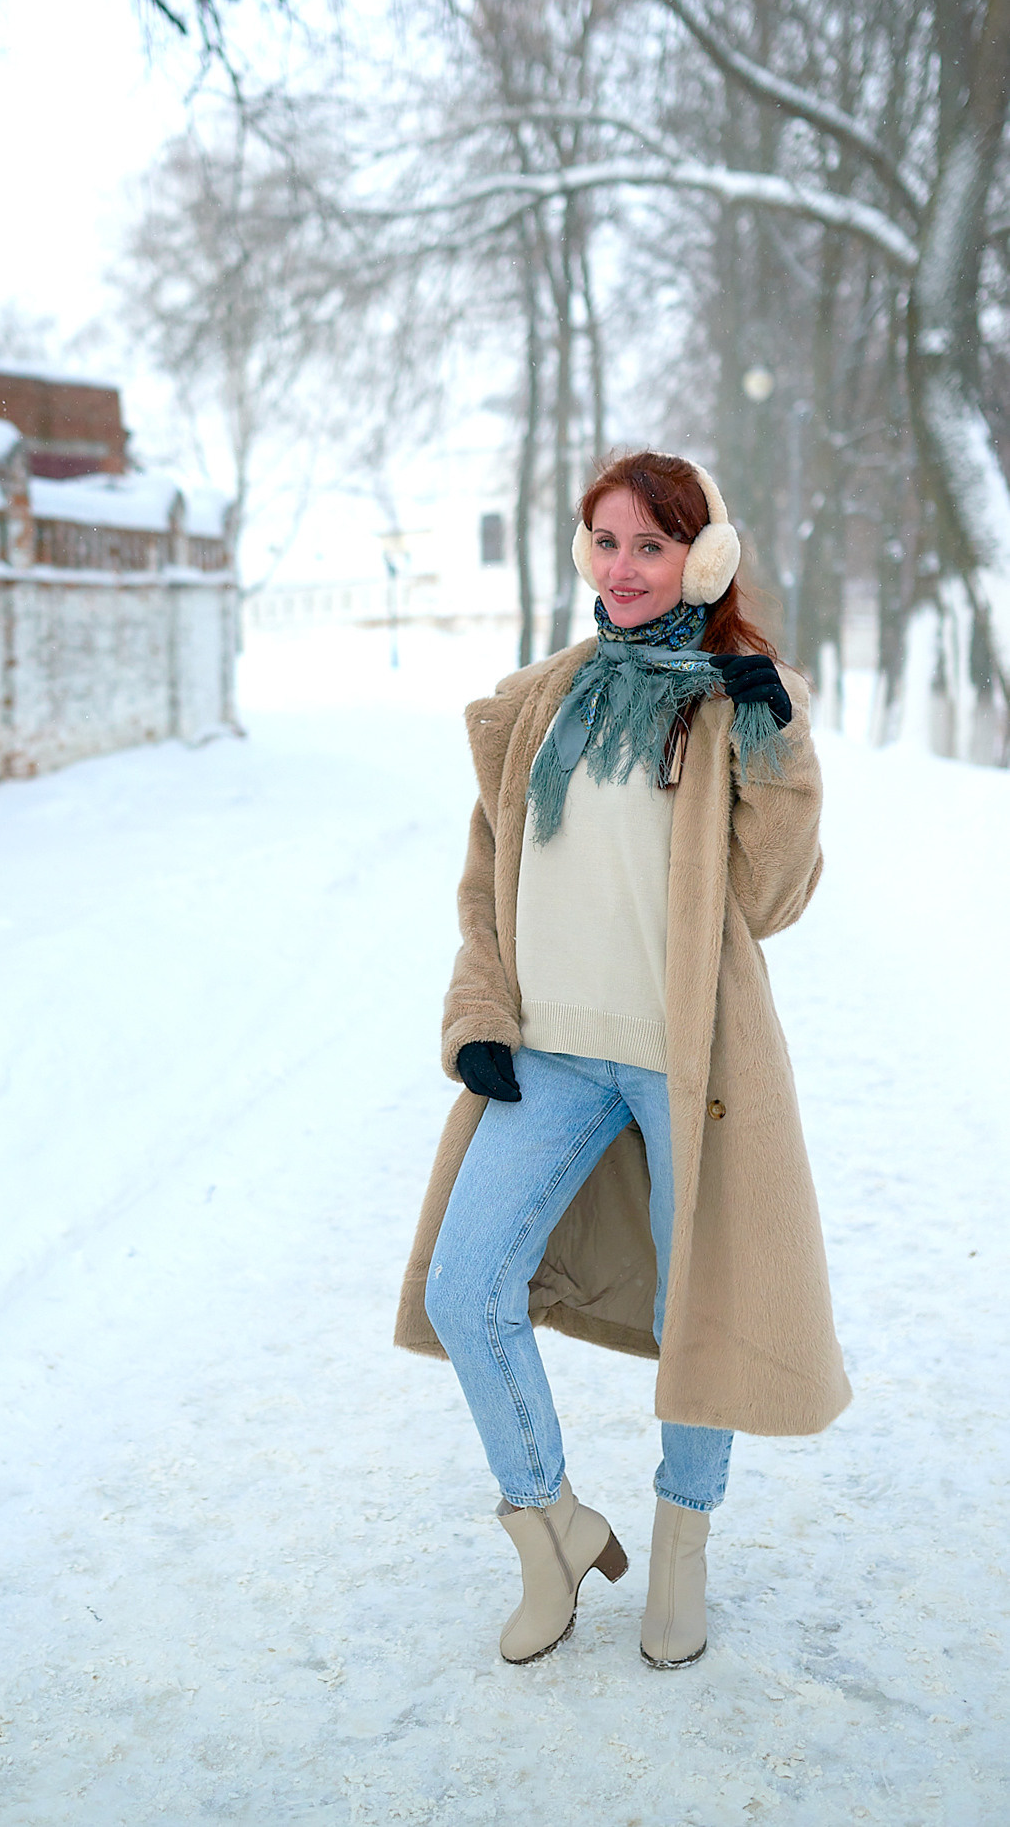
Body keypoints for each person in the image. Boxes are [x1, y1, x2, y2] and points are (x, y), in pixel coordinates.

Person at [395, 450, 850, 1669]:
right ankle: (548, 1523)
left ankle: (681, 1545)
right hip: (550, 1052)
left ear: (705, 554)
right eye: (606, 542)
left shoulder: (735, 702)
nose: (624, 567)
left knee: (694, 1307)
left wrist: (773, 744)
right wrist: (478, 1008)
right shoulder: (543, 699)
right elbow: (486, 883)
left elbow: (770, 894)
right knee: (461, 1284)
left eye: (651, 544)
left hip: (680, 1058)